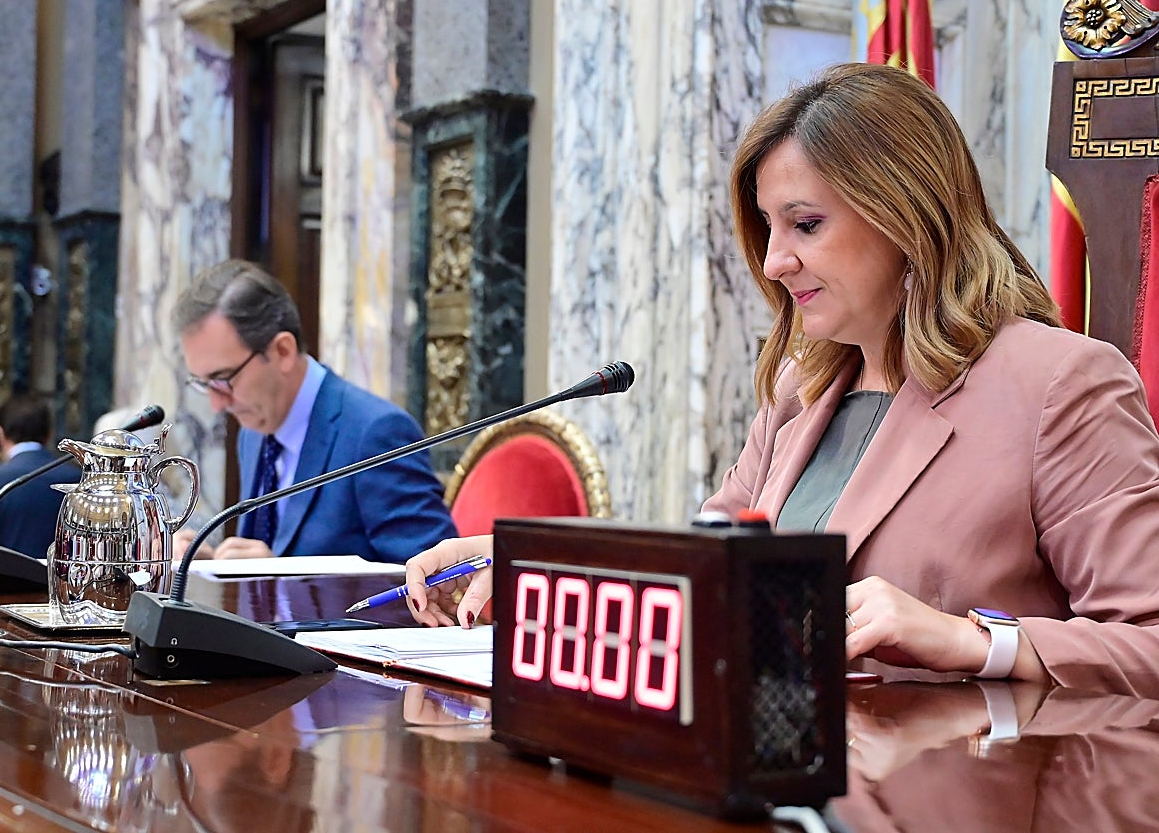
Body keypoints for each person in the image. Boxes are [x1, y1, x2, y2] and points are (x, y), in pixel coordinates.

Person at [402, 62, 1159, 700]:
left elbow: (1149, 644)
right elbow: (703, 575)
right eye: (768, 228)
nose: (773, 263)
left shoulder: (1061, 384)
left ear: (908, 216)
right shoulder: (801, 390)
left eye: (805, 224)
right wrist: (531, 562)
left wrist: (972, 642)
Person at [172, 259, 456, 563]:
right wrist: (211, 567)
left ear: (282, 351)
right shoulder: (254, 432)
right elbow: (267, 559)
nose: (217, 404)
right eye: (204, 384)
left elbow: (438, 581)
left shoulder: (377, 433)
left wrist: (283, 583)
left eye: (224, 379)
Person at [0, 394, 81, 557]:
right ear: (49, 434)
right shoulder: (79, 478)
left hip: (3, 581)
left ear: (0, 434)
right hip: (65, 581)